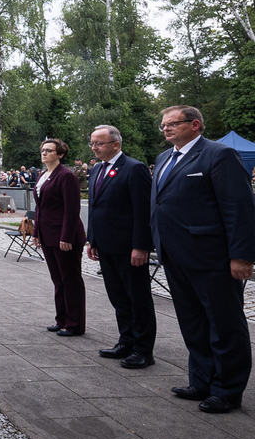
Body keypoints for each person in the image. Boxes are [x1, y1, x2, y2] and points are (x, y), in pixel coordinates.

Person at [151, 105, 255, 414]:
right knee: (192, 322)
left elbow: (239, 208)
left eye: (173, 124)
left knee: (224, 325)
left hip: (212, 257)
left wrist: (241, 256)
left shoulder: (219, 155)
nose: (166, 129)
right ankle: (202, 380)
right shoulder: (164, 158)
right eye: (163, 126)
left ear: (195, 124)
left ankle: (227, 390)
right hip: (175, 255)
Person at [85, 125, 156, 369]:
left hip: (128, 248)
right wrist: (92, 240)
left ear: (116, 144)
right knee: (118, 298)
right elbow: (95, 208)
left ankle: (144, 349)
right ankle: (126, 341)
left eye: (99, 143)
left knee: (138, 298)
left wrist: (141, 246)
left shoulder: (134, 168)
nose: (94, 148)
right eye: (92, 143)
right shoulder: (96, 170)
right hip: (105, 246)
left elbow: (143, 210)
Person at [31, 138, 87, 337]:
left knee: (70, 280)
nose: (44, 153)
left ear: (60, 154)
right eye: (42, 150)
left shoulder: (66, 176)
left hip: (65, 237)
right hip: (48, 235)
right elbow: (40, 208)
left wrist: (67, 237)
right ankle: (61, 319)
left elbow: (72, 210)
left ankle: (74, 324)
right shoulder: (43, 175)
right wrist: (36, 233)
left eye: (49, 150)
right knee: (58, 280)